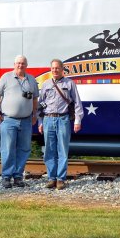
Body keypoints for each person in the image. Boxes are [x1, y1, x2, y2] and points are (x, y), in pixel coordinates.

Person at [0, 55, 39, 188]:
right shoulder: (6, 77)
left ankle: (18, 176)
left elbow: (35, 98)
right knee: (7, 149)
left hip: (26, 121)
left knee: (24, 149)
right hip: (8, 120)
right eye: (18, 63)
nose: (20, 65)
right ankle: (6, 177)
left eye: (23, 63)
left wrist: (35, 114)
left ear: (26, 65)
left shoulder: (31, 79)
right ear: (14, 64)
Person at [38, 59, 83, 190]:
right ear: (50, 69)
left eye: (57, 68)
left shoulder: (70, 84)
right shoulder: (46, 84)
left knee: (62, 150)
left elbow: (77, 103)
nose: (55, 70)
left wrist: (78, 120)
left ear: (62, 69)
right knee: (49, 150)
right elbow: (40, 105)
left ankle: (60, 179)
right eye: (53, 68)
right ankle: (51, 178)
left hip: (63, 119)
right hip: (48, 120)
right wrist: (40, 122)